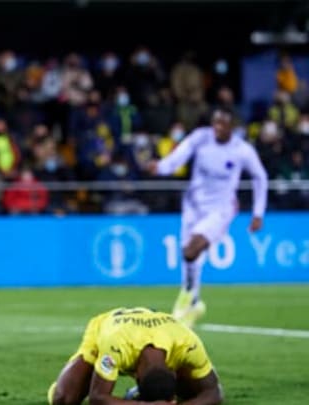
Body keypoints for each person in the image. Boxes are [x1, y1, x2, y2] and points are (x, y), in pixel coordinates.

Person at [148, 107, 267, 328]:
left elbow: (260, 177)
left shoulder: (242, 150)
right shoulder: (201, 138)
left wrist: (258, 213)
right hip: (193, 205)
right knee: (188, 257)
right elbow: (178, 158)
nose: (218, 127)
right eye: (215, 122)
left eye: (223, 123)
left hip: (220, 210)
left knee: (191, 250)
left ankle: (188, 298)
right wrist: (161, 167)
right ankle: (192, 302)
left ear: (232, 126)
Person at [47, 307, 223, 405]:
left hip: (159, 330)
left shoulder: (188, 343)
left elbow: (215, 392)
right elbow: (97, 397)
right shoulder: (116, 346)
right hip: (106, 328)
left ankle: (146, 394)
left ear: (174, 372)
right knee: (63, 400)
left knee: (194, 392)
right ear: (137, 377)